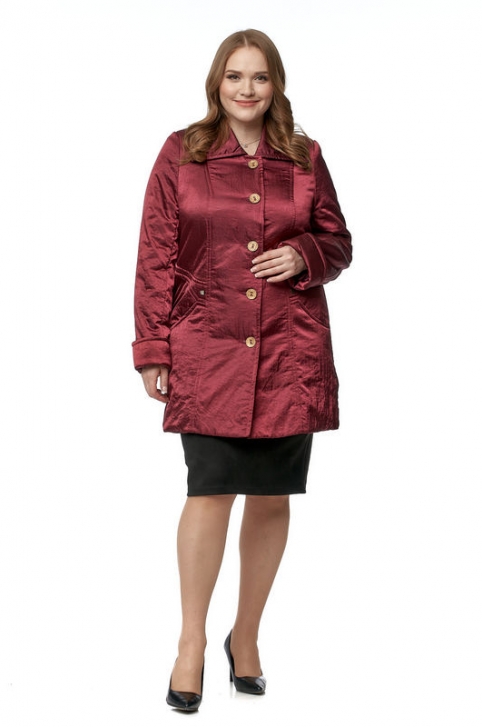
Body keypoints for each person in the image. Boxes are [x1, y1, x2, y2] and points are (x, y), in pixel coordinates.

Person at [132, 28, 352, 712]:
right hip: (208, 349)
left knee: (272, 494)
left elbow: (339, 241)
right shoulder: (183, 152)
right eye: (235, 76)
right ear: (216, 83)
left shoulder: (305, 157)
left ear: (275, 84)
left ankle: (247, 636)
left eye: (259, 77)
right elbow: (155, 254)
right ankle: (191, 643)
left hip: (288, 352)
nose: (247, 89)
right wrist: (153, 348)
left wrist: (305, 255)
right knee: (209, 490)